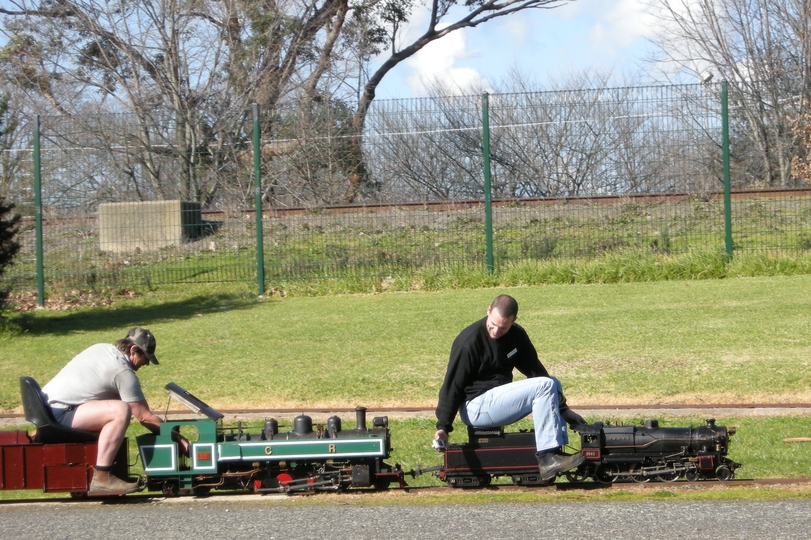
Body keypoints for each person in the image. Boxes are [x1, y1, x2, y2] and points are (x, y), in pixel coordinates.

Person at [434, 294, 586, 481]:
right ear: (488, 311)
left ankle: (557, 452)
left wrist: (564, 409)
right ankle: (547, 458)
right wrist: (443, 427)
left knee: (551, 382)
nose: (496, 331)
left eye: (503, 327)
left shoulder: (516, 335)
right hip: (476, 407)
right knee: (545, 385)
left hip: (497, 401)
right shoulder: (468, 342)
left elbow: (535, 370)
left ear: (513, 321)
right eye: (493, 324)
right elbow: (452, 385)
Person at [41, 327, 187, 496]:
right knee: (120, 410)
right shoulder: (122, 371)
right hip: (60, 413)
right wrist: (180, 440)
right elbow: (143, 416)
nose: (146, 363)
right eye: (145, 357)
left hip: (49, 408)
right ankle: (102, 478)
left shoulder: (103, 348)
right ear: (133, 350)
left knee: (117, 406)